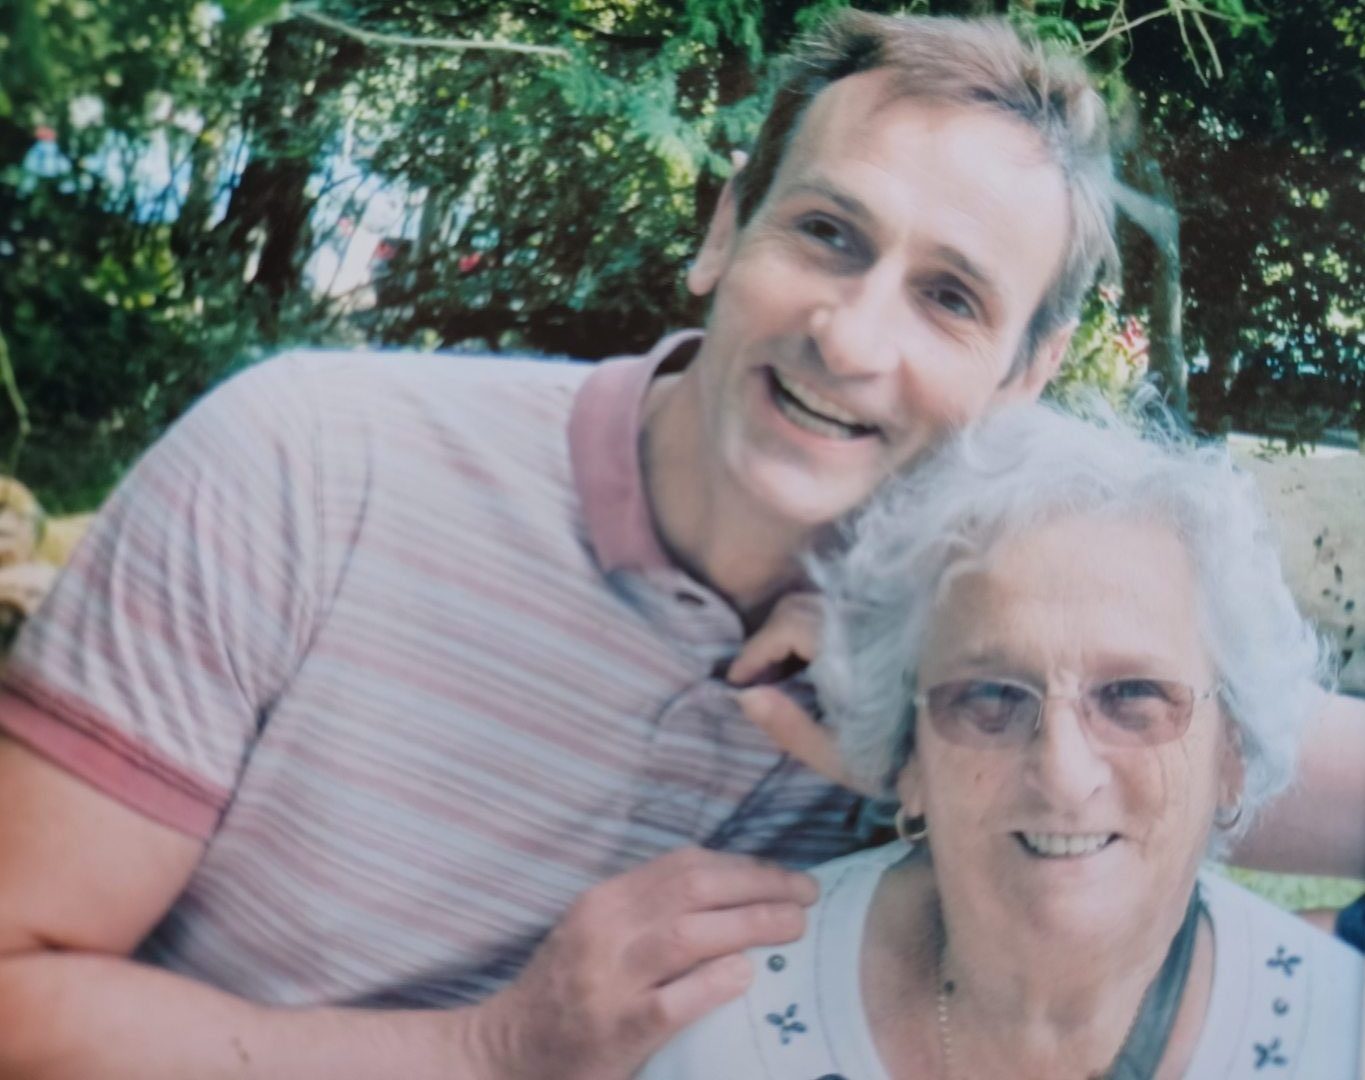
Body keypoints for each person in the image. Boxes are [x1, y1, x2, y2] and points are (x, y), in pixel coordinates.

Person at [0, 11, 1361, 1080]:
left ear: (1026, 369)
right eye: (827, 235)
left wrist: (918, 724)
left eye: (949, 297)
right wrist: (486, 1056)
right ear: (724, 226)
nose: (852, 335)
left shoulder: (967, 632)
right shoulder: (307, 464)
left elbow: (1217, 765)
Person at [642, 402, 1364, 1079]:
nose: (1061, 772)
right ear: (910, 757)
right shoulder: (722, 1020)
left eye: (1133, 696)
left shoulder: (1337, 1039)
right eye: (988, 697)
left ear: (1230, 757)